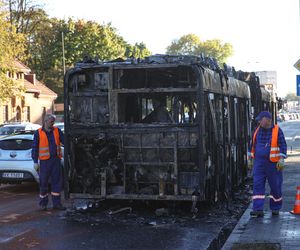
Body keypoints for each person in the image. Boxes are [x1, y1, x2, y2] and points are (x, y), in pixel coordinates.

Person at [248, 111, 287, 217]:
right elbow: (252, 145)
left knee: (275, 186)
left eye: (261, 119)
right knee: (257, 185)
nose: (259, 121)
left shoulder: (277, 130)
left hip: (273, 164)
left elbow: (283, 145)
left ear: (268, 120)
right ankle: (257, 209)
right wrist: (250, 158)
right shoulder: (257, 130)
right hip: (259, 164)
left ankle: (275, 208)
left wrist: (282, 158)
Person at [32, 114, 65, 210]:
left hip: (55, 160)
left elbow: (64, 141)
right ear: (45, 121)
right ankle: (43, 204)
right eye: (51, 122)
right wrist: (35, 161)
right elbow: (35, 148)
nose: (53, 124)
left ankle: (56, 204)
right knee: (43, 183)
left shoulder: (57, 131)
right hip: (44, 162)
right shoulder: (38, 133)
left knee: (57, 182)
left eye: (53, 122)